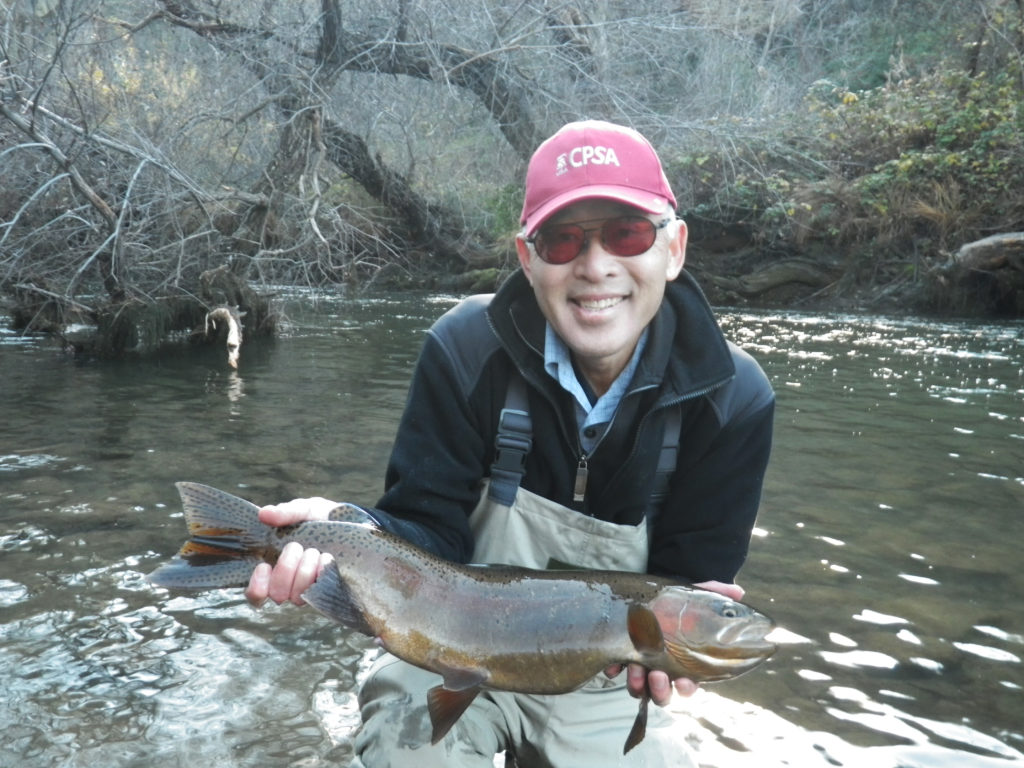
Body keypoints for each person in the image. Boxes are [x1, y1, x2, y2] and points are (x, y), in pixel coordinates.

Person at [246, 120, 775, 767]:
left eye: (627, 233)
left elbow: (690, 574)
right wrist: (351, 531)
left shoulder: (734, 399)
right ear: (527, 257)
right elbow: (426, 531)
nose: (597, 265)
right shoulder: (465, 351)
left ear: (674, 248)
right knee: (408, 753)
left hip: (600, 680)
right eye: (562, 240)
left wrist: (674, 655)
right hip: (447, 647)